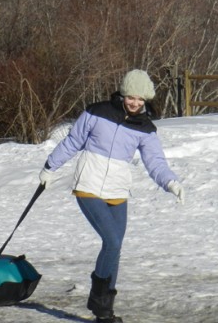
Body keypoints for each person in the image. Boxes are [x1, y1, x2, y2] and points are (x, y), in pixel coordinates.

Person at [38, 69, 185, 323]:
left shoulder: (145, 128)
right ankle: (99, 301)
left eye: (141, 99)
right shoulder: (96, 112)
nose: (135, 103)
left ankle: (105, 313)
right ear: (123, 93)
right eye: (131, 96)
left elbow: (155, 162)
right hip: (89, 185)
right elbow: (73, 141)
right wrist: (50, 167)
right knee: (113, 241)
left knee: (114, 249)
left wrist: (170, 182)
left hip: (117, 190)